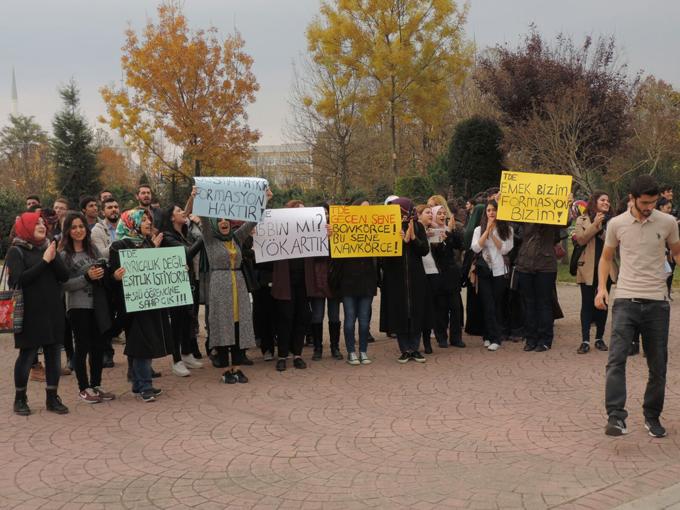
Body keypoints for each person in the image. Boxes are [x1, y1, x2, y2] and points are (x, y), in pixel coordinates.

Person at [596, 175, 680, 438]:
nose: (649, 207)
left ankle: (652, 416)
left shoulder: (667, 222)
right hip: (625, 300)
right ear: (632, 199)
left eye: (653, 202)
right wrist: (601, 289)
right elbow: (606, 257)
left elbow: (676, 252)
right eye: (644, 203)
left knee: (658, 364)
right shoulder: (616, 224)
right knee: (616, 360)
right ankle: (616, 417)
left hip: (657, 303)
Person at [7, 212, 70, 415]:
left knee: (53, 355)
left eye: (43, 223)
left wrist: (53, 255)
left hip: (52, 311)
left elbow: (64, 276)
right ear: (26, 226)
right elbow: (19, 280)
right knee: (27, 356)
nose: (42, 225)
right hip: (29, 313)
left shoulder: (47, 248)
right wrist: (44, 261)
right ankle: (20, 398)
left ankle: (52, 397)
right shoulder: (16, 251)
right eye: (37, 223)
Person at [109, 209, 171, 402]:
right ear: (131, 223)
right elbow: (112, 276)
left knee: (141, 343)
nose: (147, 223)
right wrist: (115, 276)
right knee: (141, 344)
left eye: (148, 219)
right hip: (131, 305)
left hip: (149, 301)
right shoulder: (119, 245)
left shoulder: (146, 243)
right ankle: (145, 386)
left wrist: (175, 267)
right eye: (143, 220)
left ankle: (138, 385)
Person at [58, 212, 119, 403]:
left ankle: (96, 384)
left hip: (98, 305)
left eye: (81, 226)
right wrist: (86, 278)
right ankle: (83, 387)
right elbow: (63, 285)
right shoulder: (64, 255)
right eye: (73, 227)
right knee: (82, 346)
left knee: (98, 346)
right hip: (77, 306)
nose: (78, 231)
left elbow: (104, 273)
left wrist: (111, 275)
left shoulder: (93, 249)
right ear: (67, 231)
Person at [201, 215, 259, 383]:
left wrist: (264, 199)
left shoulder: (236, 237)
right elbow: (204, 219)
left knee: (238, 326)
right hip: (220, 285)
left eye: (226, 220)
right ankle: (225, 370)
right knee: (222, 325)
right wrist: (199, 197)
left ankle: (237, 368)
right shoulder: (210, 239)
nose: (224, 222)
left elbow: (253, 220)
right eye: (219, 220)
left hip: (238, 284)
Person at [381, 197, 430, 363]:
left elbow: (424, 250)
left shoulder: (417, 226)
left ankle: (415, 348)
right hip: (396, 278)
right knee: (400, 312)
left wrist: (413, 238)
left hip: (416, 277)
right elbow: (384, 257)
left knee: (415, 311)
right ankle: (404, 349)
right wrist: (399, 241)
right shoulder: (388, 227)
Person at [160, 204, 204, 377]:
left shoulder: (183, 233)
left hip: (188, 282)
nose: (183, 213)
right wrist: (203, 239)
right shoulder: (167, 236)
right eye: (178, 211)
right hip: (174, 286)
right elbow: (186, 253)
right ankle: (176, 360)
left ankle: (187, 354)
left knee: (188, 320)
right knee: (177, 323)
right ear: (171, 217)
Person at [573, 192, 618, 354]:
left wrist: (605, 226)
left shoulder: (614, 221)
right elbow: (581, 239)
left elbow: (615, 242)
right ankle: (585, 340)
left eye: (608, 200)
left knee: (603, 305)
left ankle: (599, 338)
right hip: (587, 268)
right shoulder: (582, 219)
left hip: (606, 269)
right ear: (594, 202)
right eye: (602, 200)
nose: (606, 202)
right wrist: (596, 224)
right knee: (586, 304)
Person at [470, 201, 513, 351]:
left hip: (499, 271)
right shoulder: (478, 229)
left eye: (494, 210)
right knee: (487, 304)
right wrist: (486, 231)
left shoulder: (507, 229)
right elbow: (475, 247)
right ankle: (489, 335)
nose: (491, 213)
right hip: (484, 271)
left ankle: (496, 337)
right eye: (488, 210)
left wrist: (494, 234)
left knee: (496, 304)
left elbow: (506, 249)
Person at [515, 220, 563, 352]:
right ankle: (531, 338)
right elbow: (510, 218)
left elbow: (565, 221)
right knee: (529, 303)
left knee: (544, 303)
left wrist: (567, 205)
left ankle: (545, 339)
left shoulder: (551, 218)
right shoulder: (525, 216)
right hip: (525, 264)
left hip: (546, 265)